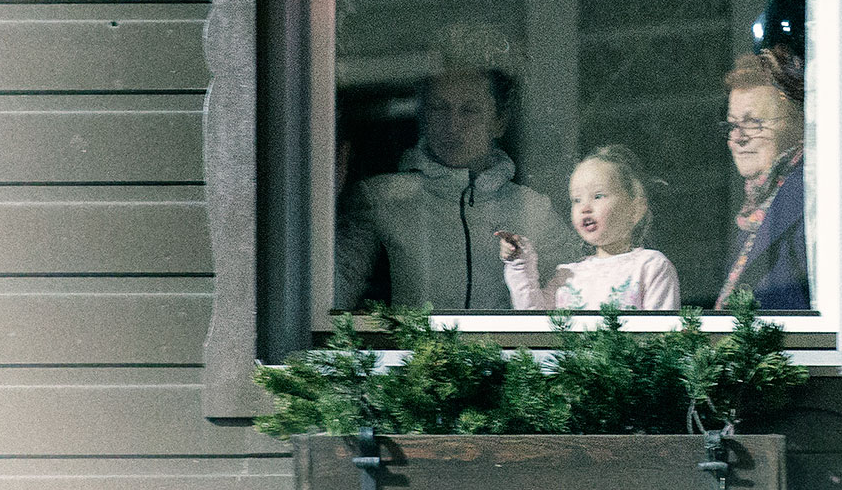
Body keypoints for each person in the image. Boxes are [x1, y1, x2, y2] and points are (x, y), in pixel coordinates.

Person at [334, 24, 578, 312]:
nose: (452, 125)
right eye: (439, 108)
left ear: (499, 121)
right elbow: (331, 298)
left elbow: (583, 291)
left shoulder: (532, 210)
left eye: (469, 110)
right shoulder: (381, 198)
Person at [497, 144, 680, 311]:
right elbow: (536, 322)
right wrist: (519, 264)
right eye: (577, 200)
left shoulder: (650, 267)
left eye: (598, 196)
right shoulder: (567, 277)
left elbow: (662, 333)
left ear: (635, 209)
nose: (584, 208)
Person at [714, 48, 809, 312]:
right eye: (733, 125)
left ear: (797, 123)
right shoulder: (753, 211)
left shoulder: (811, 195)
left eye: (753, 123)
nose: (738, 138)